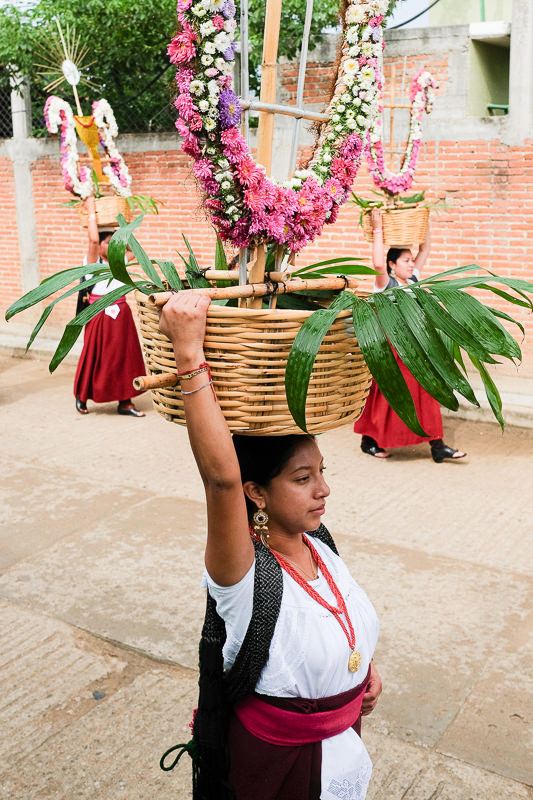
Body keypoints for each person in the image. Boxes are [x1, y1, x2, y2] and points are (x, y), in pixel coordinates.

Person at [158, 291, 382, 800]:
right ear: (256, 491)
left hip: (339, 740)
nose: (323, 489)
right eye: (303, 478)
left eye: (322, 471)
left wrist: (361, 668)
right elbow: (220, 480)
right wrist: (189, 353)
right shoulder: (242, 574)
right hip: (279, 767)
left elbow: (335, 622)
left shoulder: (318, 544)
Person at [354, 209, 466, 463]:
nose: (411, 263)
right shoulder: (384, 284)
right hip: (391, 348)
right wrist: (378, 227)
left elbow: (425, 248)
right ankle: (369, 440)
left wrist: (424, 222)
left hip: (416, 347)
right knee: (386, 394)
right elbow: (378, 264)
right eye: (405, 260)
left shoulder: (413, 280)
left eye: (410, 260)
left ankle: (437, 446)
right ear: (393, 265)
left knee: (428, 391)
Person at [74, 196, 146, 417]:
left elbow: (136, 248)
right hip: (99, 313)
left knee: (124, 357)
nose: (112, 245)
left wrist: (123, 225)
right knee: (94, 356)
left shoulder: (121, 260)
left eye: (115, 241)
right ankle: (82, 395)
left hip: (122, 314)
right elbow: (93, 241)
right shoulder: (92, 262)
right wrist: (92, 210)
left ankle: (125, 402)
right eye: (109, 242)